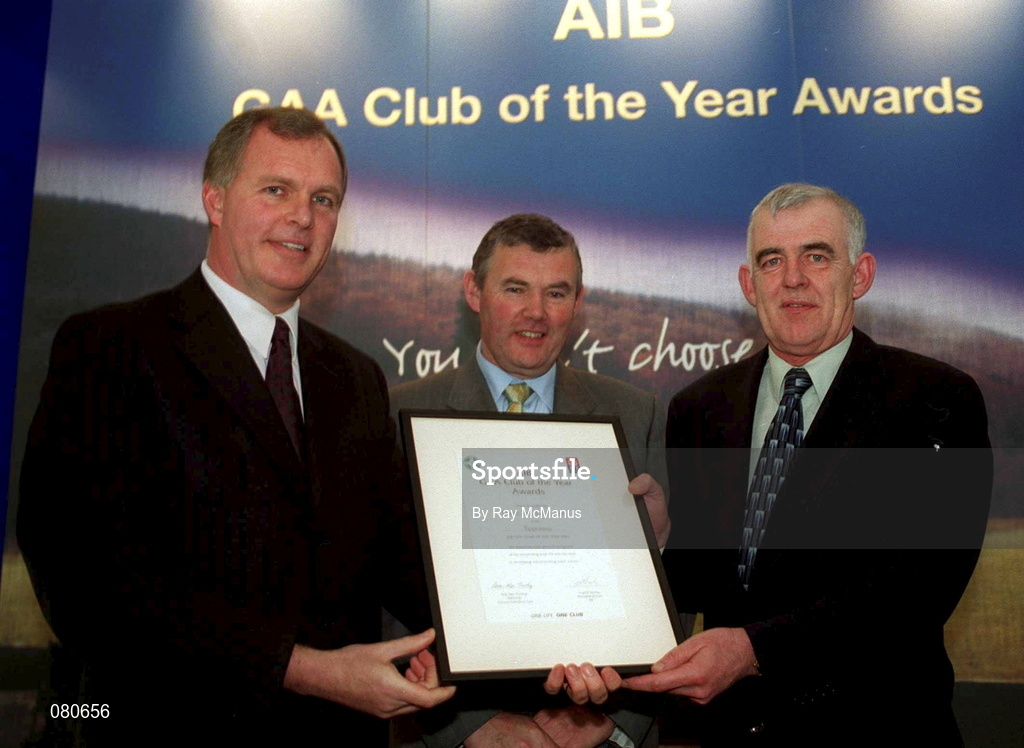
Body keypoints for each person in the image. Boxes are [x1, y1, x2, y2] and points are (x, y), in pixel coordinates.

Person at [17, 106, 454, 747]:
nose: (303, 216)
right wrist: (300, 669)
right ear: (215, 200)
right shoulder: (112, 347)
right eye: (276, 189)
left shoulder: (356, 378)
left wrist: (510, 643)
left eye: (323, 198)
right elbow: (86, 579)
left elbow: (398, 559)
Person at [545, 184, 993, 746]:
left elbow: (916, 591)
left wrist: (754, 650)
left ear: (860, 275)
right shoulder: (699, 407)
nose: (794, 277)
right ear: (747, 284)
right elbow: (713, 581)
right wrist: (661, 541)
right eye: (771, 260)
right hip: (728, 731)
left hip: (879, 728)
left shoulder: (934, 398)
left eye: (817, 255)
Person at [390, 213, 669, 748]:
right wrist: (470, 728)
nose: (536, 313)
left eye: (556, 293)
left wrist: (609, 723)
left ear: (578, 301)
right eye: (515, 288)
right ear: (473, 291)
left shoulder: (637, 415)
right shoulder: (399, 416)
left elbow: (670, 592)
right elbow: (380, 598)